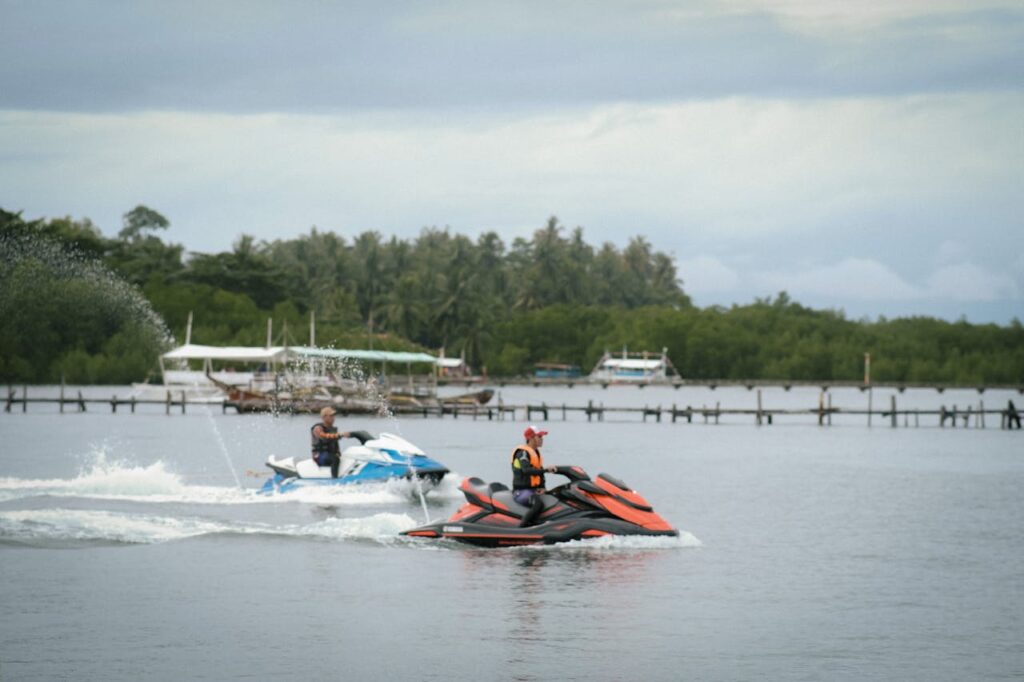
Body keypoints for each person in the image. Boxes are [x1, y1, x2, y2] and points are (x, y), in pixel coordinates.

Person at [511, 425, 558, 527]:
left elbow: (539, 473)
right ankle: (521, 528)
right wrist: (546, 470)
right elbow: (526, 470)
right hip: (521, 492)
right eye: (539, 437)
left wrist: (542, 488)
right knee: (538, 504)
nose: (542, 439)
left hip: (532, 490)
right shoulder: (522, 453)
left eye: (542, 437)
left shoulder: (535, 453)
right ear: (531, 438)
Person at [311, 406, 351, 478]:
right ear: (324, 417)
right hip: (320, 456)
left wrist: (338, 452)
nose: (333, 418)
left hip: (330, 455)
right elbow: (323, 436)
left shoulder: (333, 430)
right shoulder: (317, 428)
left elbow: (335, 444)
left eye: (333, 416)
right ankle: (334, 480)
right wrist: (339, 435)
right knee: (334, 459)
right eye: (331, 416)